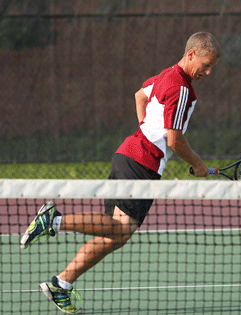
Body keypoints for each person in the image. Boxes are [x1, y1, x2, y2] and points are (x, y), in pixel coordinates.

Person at [20, 32, 222, 314]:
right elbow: (174, 139)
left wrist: (144, 128)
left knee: (114, 234)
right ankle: (53, 220)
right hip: (142, 164)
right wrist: (198, 164)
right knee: (122, 229)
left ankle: (61, 284)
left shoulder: (166, 75)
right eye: (206, 64)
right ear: (191, 55)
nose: (208, 72)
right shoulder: (182, 89)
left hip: (128, 154)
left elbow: (139, 95)